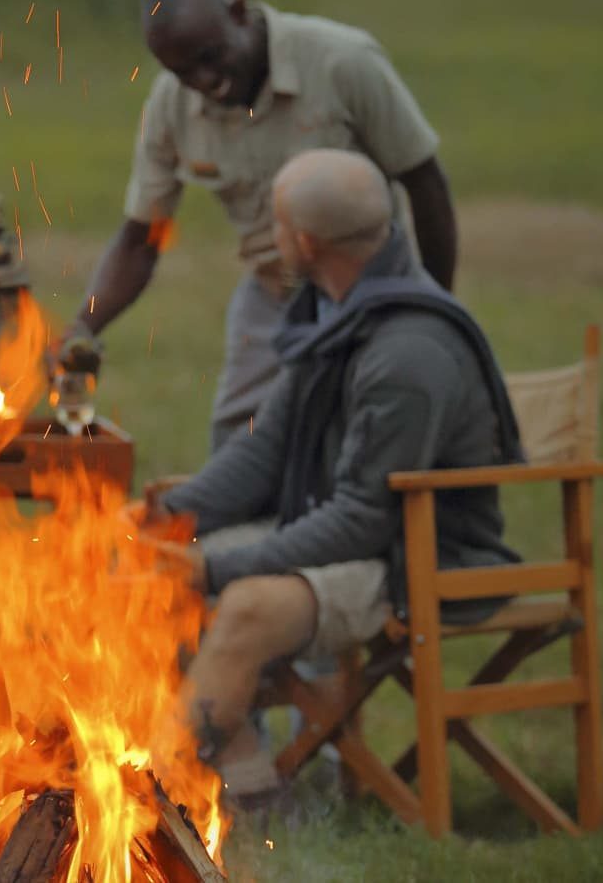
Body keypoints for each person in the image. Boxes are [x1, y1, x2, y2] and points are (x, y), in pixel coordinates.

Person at [138, 149, 520, 807]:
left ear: (305, 241)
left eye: (275, 224)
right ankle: (253, 787)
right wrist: (162, 518)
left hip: (418, 555)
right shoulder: (337, 310)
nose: (269, 236)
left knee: (246, 607)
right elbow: (264, 451)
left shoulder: (407, 350)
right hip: (359, 536)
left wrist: (217, 570)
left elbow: (364, 518)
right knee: (143, 573)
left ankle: (152, 798)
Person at [60, 0, 457, 452]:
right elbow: (140, 240)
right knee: (239, 445)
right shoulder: (171, 105)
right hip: (273, 291)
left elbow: (425, 184)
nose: (205, 81)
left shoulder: (341, 62)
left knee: (368, 442)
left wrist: (432, 309)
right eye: (184, 71)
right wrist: (81, 329)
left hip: (367, 288)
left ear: (240, 14)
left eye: (212, 56)